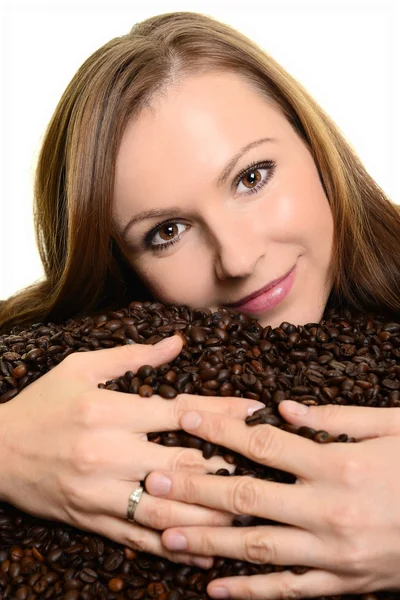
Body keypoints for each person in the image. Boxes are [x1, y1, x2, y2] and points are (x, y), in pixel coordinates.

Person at [0, 9, 399, 599]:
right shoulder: (71, 367)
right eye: (167, 232)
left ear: (316, 147)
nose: (236, 259)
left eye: (252, 177)